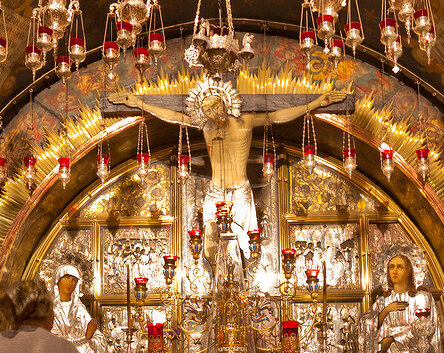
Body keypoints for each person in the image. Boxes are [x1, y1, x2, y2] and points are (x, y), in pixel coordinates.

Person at [109, 84, 346, 261]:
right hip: (214, 192)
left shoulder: (245, 122)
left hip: (240, 191)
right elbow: (174, 117)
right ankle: (216, 290)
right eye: (208, 110)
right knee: (210, 247)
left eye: (216, 107)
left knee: (245, 246)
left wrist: (315, 104)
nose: (213, 113)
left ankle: (240, 291)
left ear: (224, 103)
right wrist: (139, 103)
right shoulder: (205, 127)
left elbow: (276, 116)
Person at [51, 264, 105, 353]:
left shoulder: (79, 309)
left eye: (74, 280)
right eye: (67, 278)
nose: (70, 283)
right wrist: (84, 339)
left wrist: (91, 338)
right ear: (58, 280)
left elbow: (97, 337)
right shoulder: (50, 310)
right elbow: (53, 341)